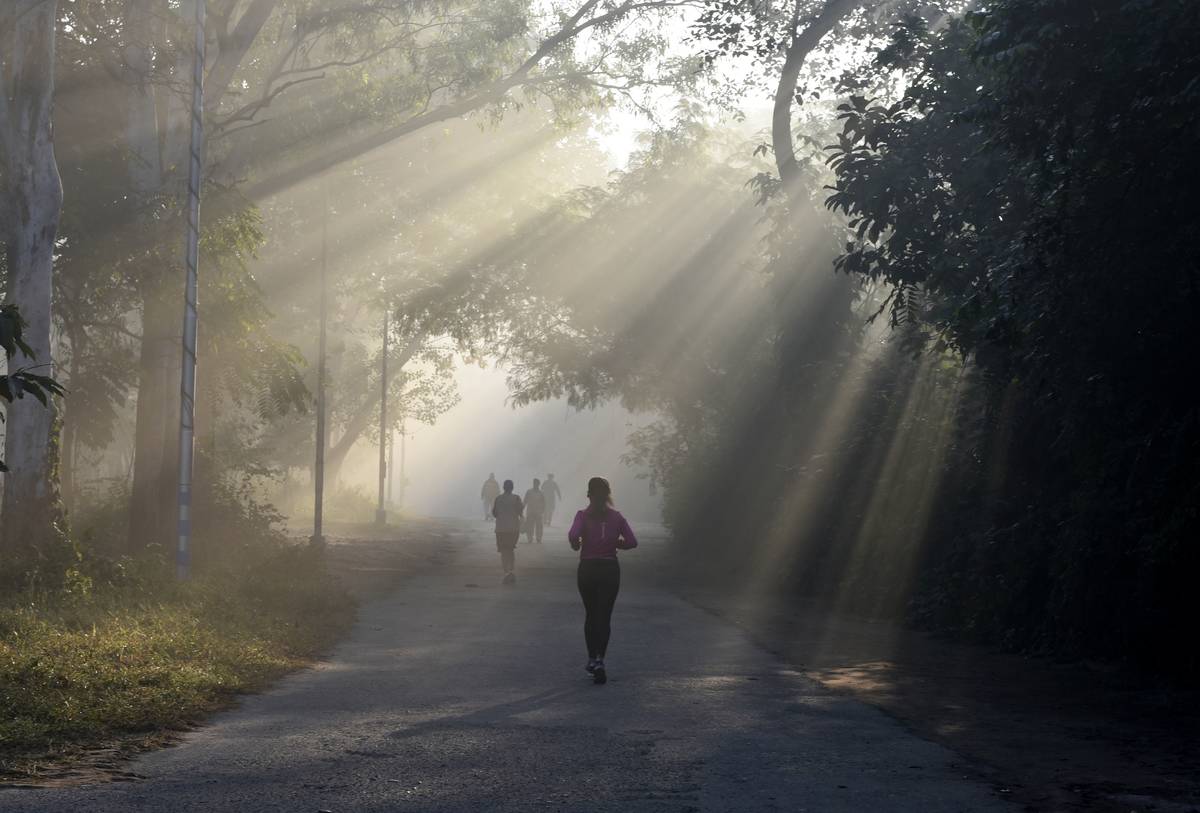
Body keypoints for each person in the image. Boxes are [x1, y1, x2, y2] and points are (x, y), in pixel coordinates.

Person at [568, 476, 638, 685]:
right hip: (609, 569)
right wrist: (617, 544)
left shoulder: (582, 515)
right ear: (608, 495)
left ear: (588, 494)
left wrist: (577, 544)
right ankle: (600, 660)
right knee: (604, 616)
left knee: (591, 615)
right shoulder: (617, 518)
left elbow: (573, 536)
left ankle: (591, 658)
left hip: (588, 569)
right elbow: (633, 542)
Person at [492, 479, 523, 584]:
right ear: (512, 488)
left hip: (501, 529)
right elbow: (520, 511)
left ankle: (506, 572)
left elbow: (495, 513)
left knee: (504, 551)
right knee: (510, 549)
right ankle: (511, 571)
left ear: (503, 487)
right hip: (513, 529)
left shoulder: (498, 498)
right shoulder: (516, 498)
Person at [523, 479, 546, 544]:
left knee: (539, 526)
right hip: (530, 512)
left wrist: (543, 510)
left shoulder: (541, 493)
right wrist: (522, 508)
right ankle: (530, 538)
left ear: (538, 484)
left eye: (536, 483)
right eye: (534, 483)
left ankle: (538, 538)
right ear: (533, 484)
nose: (535, 484)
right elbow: (525, 500)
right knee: (530, 526)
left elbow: (544, 502)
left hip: (538, 512)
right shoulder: (529, 492)